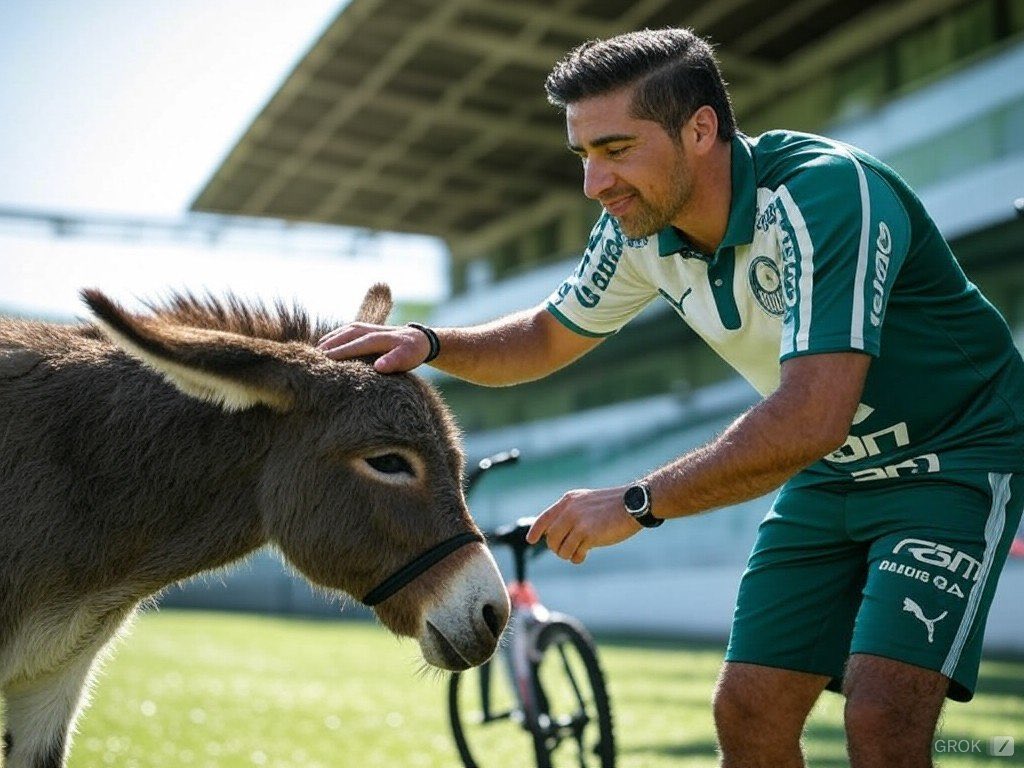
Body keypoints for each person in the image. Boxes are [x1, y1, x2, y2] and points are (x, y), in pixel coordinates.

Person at [318, 27, 1024, 768]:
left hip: (955, 456)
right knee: (747, 712)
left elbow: (814, 414)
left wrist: (635, 502)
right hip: (834, 471)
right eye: (584, 156)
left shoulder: (824, 193)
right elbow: (545, 337)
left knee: (882, 721)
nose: (595, 184)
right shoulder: (636, 231)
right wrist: (432, 344)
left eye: (617, 150)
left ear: (701, 129)